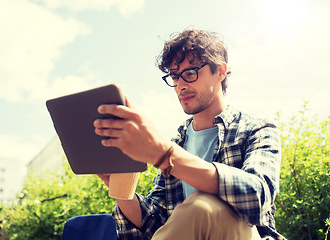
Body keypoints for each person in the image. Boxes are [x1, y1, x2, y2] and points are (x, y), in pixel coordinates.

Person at [94, 29, 285, 240]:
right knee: (190, 210)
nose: (181, 85)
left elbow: (257, 197)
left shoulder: (256, 129)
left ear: (220, 72)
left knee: (201, 206)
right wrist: (121, 192)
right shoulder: (178, 143)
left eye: (191, 73)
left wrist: (166, 155)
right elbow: (158, 226)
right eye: (175, 76)